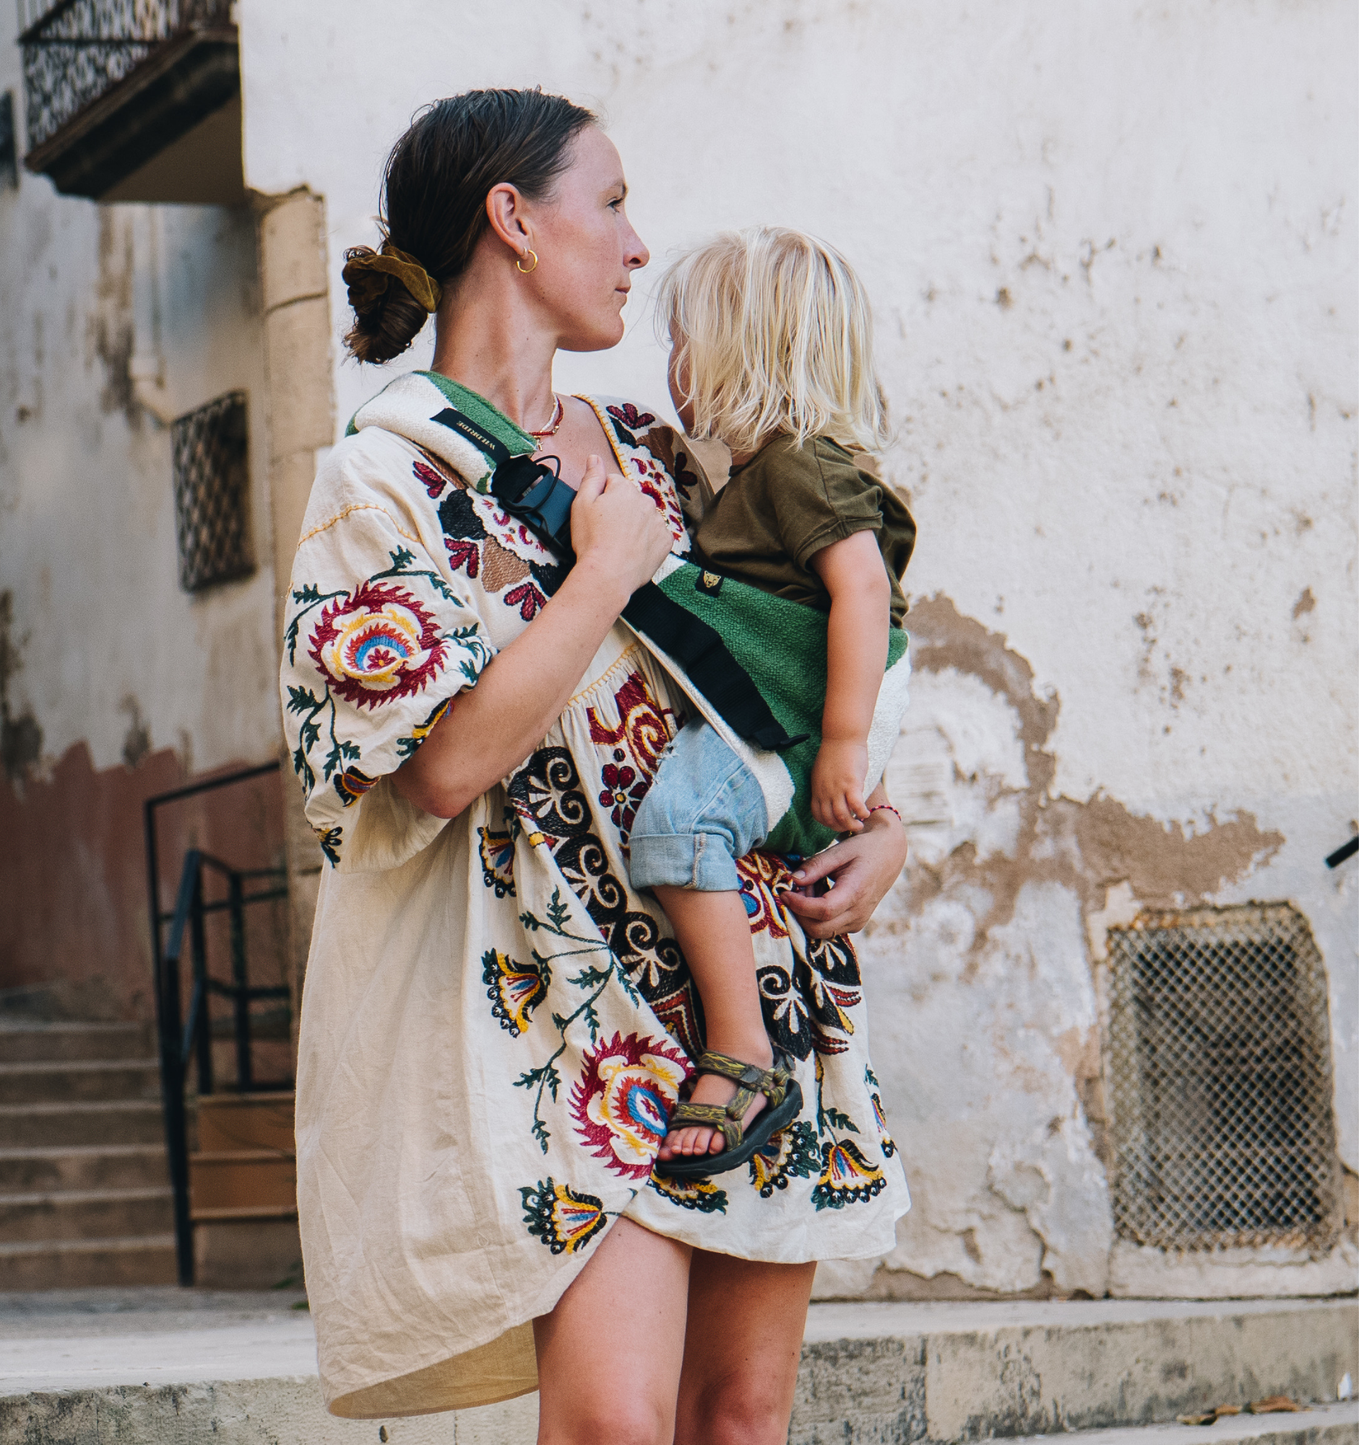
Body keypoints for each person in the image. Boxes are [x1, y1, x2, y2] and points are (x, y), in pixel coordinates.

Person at [280, 87, 910, 1445]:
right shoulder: (380, 481)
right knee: (620, 1424)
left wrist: (881, 825)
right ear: (513, 219)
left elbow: (781, 666)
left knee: (740, 1416)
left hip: (741, 983)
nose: (638, 247)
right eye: (610, 203)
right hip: (557, 1017)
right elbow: (436, 771)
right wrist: (602, 572)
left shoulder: (661, 453)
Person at [625, 229, 917, 1173]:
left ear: (742, 353)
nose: (668, 363)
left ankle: (743, 1048)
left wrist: (842, 742)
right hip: (793, 706)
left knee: (678, 825)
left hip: (801, 711)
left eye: (683, 341)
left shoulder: (802, 466)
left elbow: (863, 592)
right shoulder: (754, 473)